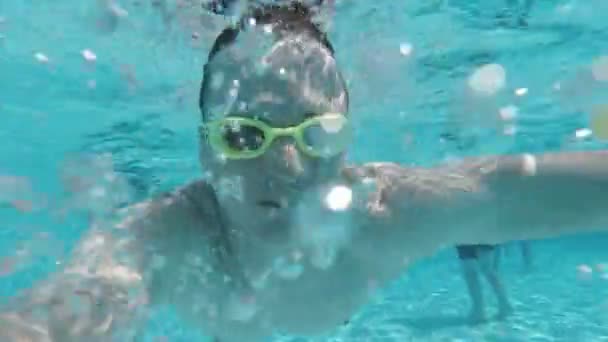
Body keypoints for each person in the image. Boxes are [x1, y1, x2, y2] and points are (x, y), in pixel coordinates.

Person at [2, 1, 608, 341]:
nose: (285, 167)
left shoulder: (384, 214)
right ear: (205, 151)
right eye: (244, 136)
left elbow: (502, 190)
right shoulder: (167, 235)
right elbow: (82, 300)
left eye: (315, 134)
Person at [455, 244, 512, 323]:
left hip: (465, 236)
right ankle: (504, 304)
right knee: (487, 269)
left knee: (470, 272)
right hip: (483, 235)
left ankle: (479, 310)